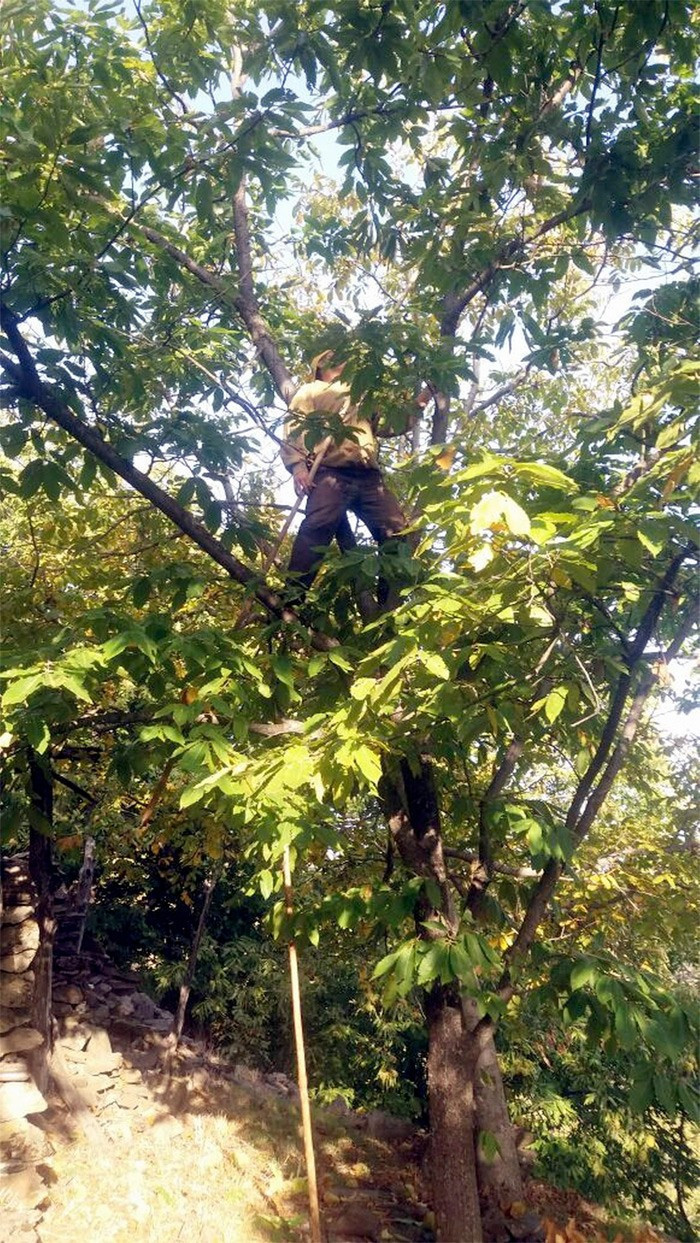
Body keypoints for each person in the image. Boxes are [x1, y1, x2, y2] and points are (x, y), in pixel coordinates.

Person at [280, 351, 429, 606]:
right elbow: (295, 428)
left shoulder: (361, 394)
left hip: (368, 477)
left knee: (396, 531)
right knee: (317, 526)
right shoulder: (311, 391)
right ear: (320, 367)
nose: (340, 360)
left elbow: (389, 424)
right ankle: (292, 597)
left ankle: (388, 600)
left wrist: (424, 398)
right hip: (329, 472)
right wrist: (298, 468)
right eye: (332, 358)